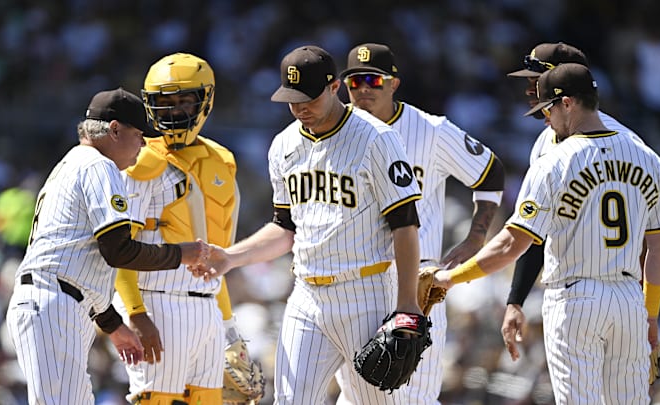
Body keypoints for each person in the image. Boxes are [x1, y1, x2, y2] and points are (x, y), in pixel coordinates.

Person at [189, 45, 424, 404]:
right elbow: (284, 229)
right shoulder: (283, 146)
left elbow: (405, 225)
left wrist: (407, 303)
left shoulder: (377, 138)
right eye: (292, 99)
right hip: (307, 296)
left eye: (309, 98)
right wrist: (231, 258)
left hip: (366, 293)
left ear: (334, 88)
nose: (300, 108)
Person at [433, 63, 660, 404]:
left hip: (574, 298)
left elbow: (510, 244)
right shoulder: (647, 157)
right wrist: (650, 313)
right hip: (629, 300)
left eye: (547, 107)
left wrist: (451, 278)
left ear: (568, 103)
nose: (545, 117)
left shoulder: (555, 161)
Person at [5, 87, 209, 405]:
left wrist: (113, 326)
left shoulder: (74, 162)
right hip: (54, 303)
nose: (143, 144)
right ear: (114, 130)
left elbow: (79, 259)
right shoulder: (99, 166)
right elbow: (118, 250)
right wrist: (182, 254)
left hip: (56, 301)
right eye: (139, 134)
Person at [334, 43, 505, 404]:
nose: (363, 89)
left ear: (394, 83)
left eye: (372, 80)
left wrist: (476, 238)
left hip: (417, 282)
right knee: (355, 398)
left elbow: (490, 172)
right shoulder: (334, 133)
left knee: (417, 396)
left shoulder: (430, 130)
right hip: (354, 280)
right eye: (354, 81)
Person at [112, 53, 262, 405]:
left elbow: (217, 255)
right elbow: (118, 250)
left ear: (205, 100)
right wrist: (135, 313)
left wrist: (227, 326)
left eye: (183, 101)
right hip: (157, 302)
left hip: (207, 306)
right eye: (164, 102)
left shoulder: (221, 160)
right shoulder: (140, 160)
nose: (173, 111)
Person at [502, 42, 647, 360]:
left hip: (614, 291)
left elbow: (651, 232)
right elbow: (536, 230)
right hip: (580, 292)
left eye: (536, 80)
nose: (530, 89)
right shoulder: (545, 142)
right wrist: (516, 299)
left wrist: (647, 310)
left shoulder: (624, 144)